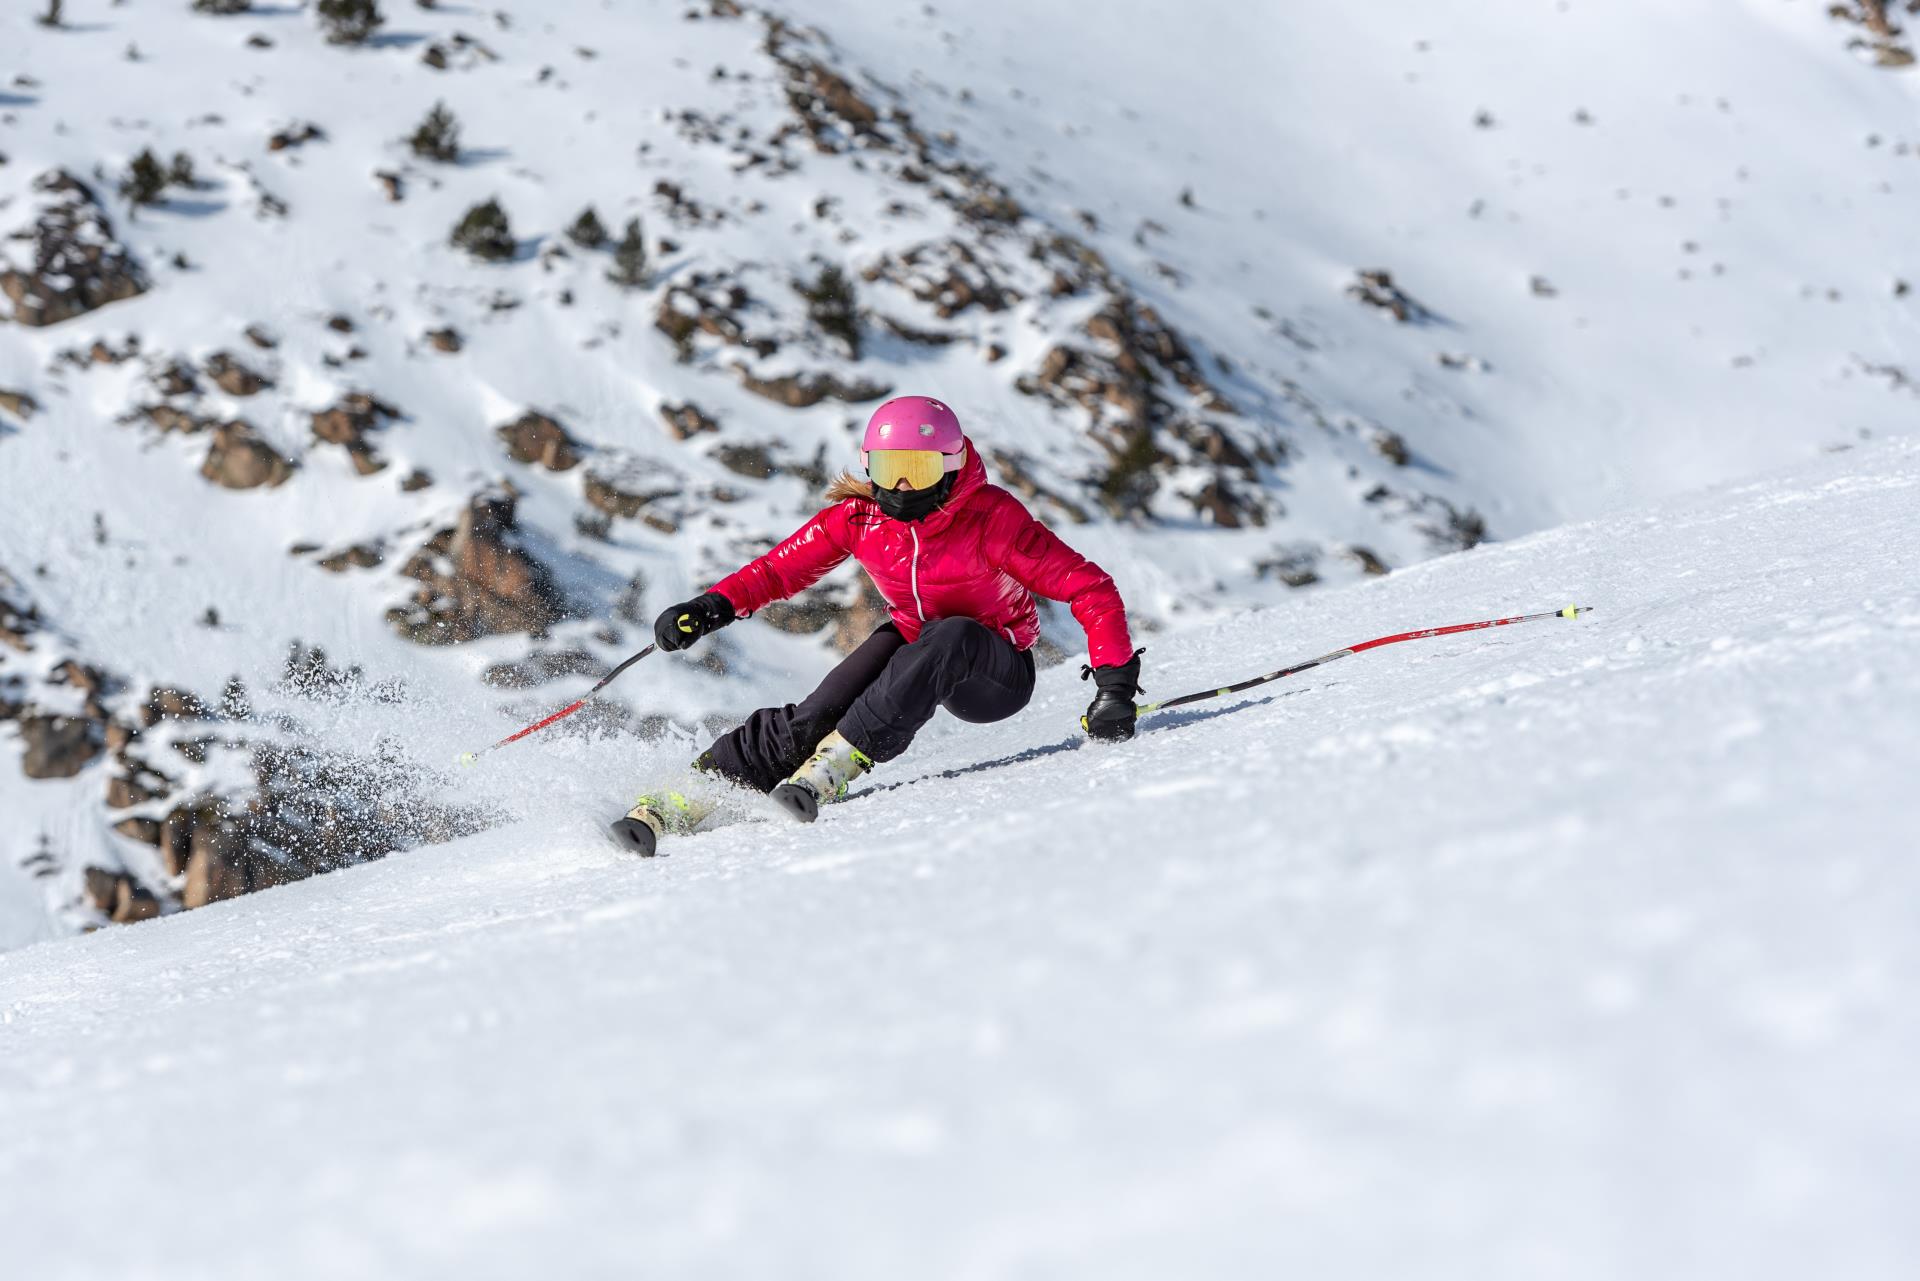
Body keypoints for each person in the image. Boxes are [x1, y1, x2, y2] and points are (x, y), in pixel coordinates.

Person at [611, 395, 1142, 854]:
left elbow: (1090, 588)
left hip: (993, 671)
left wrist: (1114, 687)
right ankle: (685, 797)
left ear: (953, 466)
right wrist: (709, 608)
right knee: (817, 711)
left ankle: (835, 765)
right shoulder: (860, 518)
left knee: (953, 633)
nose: (903, 484)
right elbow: (777, 571)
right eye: (890, 470)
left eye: (921, 470)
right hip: (916, 640)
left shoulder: (993, 519)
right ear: (869, 467)